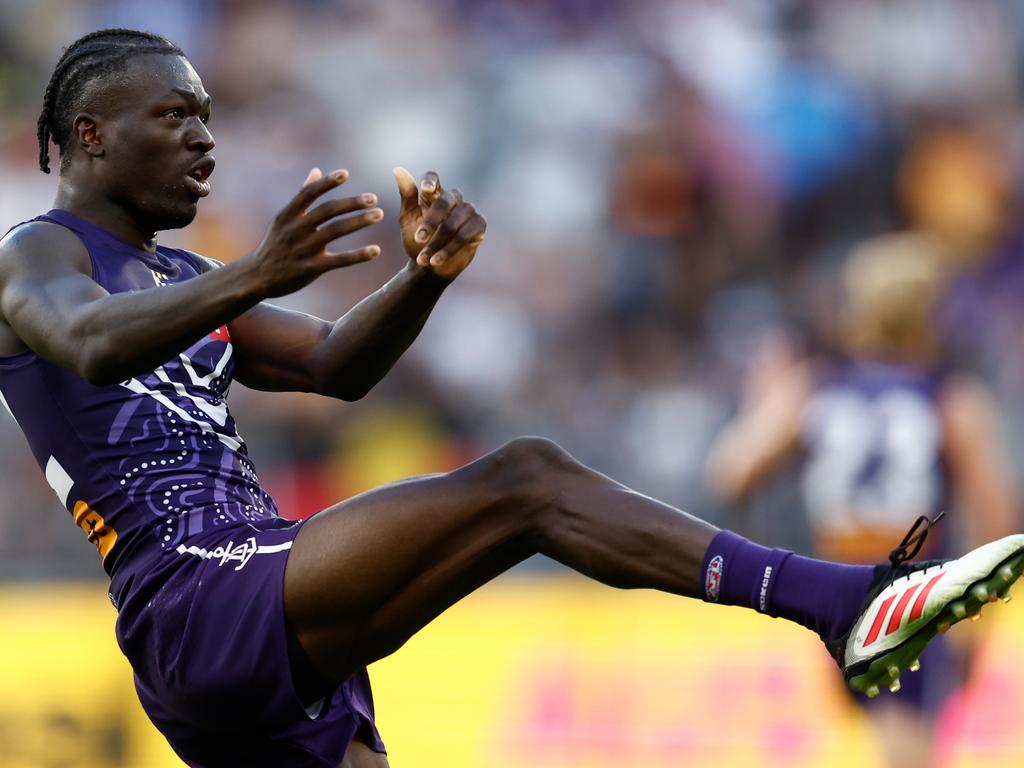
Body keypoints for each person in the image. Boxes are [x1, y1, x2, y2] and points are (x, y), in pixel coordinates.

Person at [0, 29, 1020, 768]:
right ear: (89, 135)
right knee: (527, 478)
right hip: (201, 597)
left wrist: (426, 278)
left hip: (253, 628)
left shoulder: (182, 275)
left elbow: (331, 366)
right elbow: (84, 345)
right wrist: (253, 273)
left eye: (208, 118)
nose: (203, 141)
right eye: (174, 117)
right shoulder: (34, 256)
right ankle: (841, 600)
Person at [706, 232, 1019, 768]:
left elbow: (731, 472)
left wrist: (765, 395)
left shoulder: (815, 388)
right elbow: (998, 519)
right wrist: (978, 623)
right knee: (908, 751)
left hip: (830, 585)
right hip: (910, 590)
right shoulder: (951, 399)